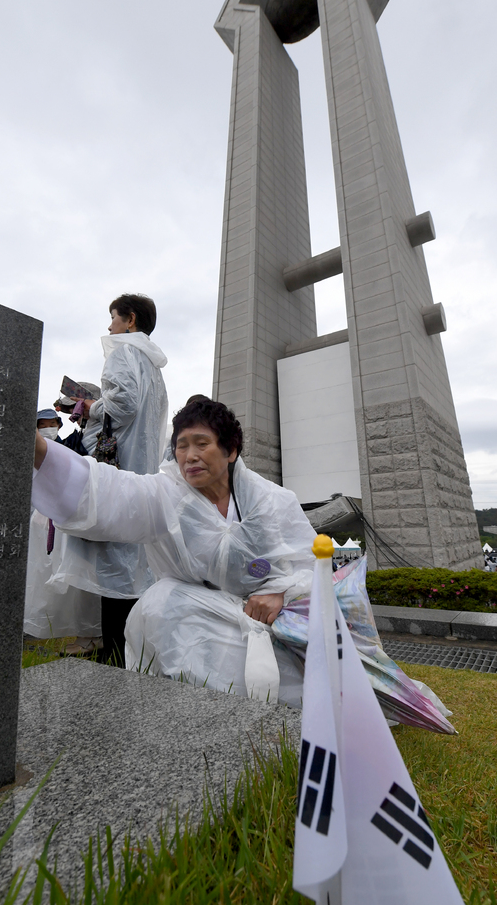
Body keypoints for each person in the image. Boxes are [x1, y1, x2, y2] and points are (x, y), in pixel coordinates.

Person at [32, 396, 314, 705]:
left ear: (231, 451)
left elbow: (310, 565)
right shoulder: (167, 497)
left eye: (202, 444)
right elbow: (111, 490)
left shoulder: (272, 500)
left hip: (273, 619)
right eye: (182, 446)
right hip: (205, 619)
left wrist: (281, 594)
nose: (190, 456)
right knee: (158, 604)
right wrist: (40, 451)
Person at [45, 294, 168, 666]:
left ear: (130, 319)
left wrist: (87, 407)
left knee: (112, 564)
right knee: (129, 565)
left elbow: (123, 404)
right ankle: (127, 651)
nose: (109, 326)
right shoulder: (152, 363)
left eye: (113, 317)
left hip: (116, 469)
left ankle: (115, 655)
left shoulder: (121, 351)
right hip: (139, 469)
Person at [23, 409, 103, 650]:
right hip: (41, 523)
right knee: (41, 574)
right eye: (42, 425)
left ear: (59, 424)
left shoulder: (71, 444)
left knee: (74, 577)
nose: (47, 428)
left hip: (66, 522)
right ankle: (39, 627)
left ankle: (87, 633)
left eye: (51, 423)